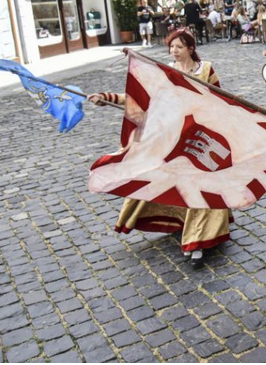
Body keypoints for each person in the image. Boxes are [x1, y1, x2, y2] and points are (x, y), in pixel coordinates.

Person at [88, 29, 231, 269]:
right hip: (174, 137)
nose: (174, 51)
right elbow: (142, 98)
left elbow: (220, 99)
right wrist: (107, 97)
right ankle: (183, 224)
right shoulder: (165, 71)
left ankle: (198, 241)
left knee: (202, 186)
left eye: (179, 47)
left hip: (201, 137)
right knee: (167, 179)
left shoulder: (205, 69)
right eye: (171, 47)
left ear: (190, 49)